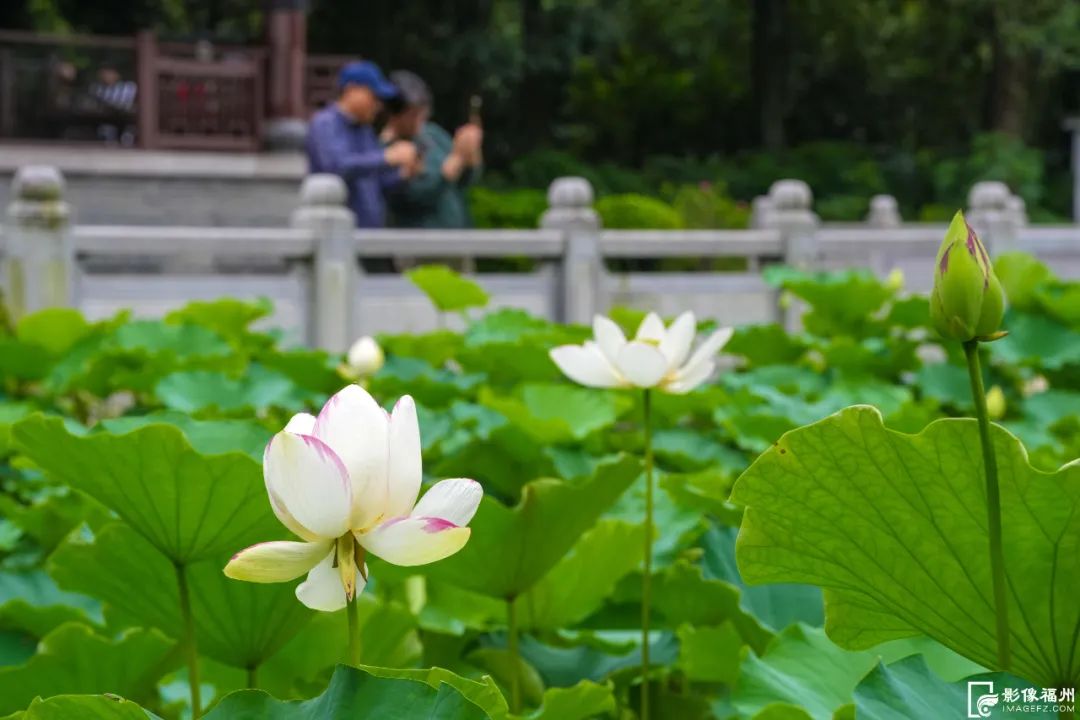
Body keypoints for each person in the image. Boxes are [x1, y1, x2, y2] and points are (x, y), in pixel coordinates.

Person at [306, 61, 420, 228]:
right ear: (351, 89)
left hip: (368, 238)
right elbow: (335, 166)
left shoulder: (365, 130)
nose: (378, 105)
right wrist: (387, 157)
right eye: (374, 96)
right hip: (335, 237)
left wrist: (404, 174)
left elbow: (377, 184)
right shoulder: (325, 123)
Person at [381, 70, 483, 228]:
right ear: (394, 114)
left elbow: (463, 181)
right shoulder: (385, 150)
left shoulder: (433, 134)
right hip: (419, 244)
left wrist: (469, 156)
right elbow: (412, 197)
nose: (419, 119)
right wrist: (449, 169)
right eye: (412, 113)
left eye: (422, 111)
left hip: (458, 240)